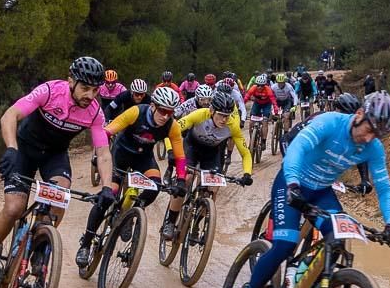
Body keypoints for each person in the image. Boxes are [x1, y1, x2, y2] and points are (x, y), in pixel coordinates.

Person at [229, 92, 390, 288]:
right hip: (292, 183)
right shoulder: (330, 123)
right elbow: (297, 150)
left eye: (378, 134)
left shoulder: (373, 148)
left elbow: (385, 188)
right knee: (285, 244)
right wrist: (292, 185)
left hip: (322, 191)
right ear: (359, 114)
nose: (370, 137)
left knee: (338, 237)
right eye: (370, 129)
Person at [0, 57, 111, 288]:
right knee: (14, 208)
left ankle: (40, 245)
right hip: (24, 151)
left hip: (54, 156)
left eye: (95, 90)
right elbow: (10, 115)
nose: (90, 95)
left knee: (60, 198)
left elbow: (104, 153)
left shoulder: (95, 113)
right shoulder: (49, 91)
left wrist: (107, 186)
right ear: (71, 81)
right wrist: (11, 149)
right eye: (85, 88)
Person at [75, 86, 188, 268]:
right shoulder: (136, 112)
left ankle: (130, 214)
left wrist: (181, 179)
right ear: (153, 106)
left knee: (155, 186)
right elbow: (107, 132)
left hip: (144, 159)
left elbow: (180, 156)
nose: (166, 116)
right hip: (120, 155)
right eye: (162, 111)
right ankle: (86, 243)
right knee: (107, 197)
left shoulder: (172, 125)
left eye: (170, 113)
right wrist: (98, 154)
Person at [161, 89, 254, 239]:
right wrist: (171, 151)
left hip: (211, 154)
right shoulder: (199, 115)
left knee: (213, 189)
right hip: (191, 148)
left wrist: (247, 173)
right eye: (221, 115)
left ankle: (197, 223)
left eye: (227, 116)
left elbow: (245, 153)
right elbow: (172, 130)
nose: (224, 120)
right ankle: (170, 222)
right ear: (211, 110)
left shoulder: (232, 126)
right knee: (186, 179)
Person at [281, 92, 372, 193]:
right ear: (337, 110)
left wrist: (365, 179)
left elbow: (359, 151)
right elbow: (291, 141)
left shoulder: (351, 131)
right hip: (290, 143)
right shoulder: (322, 120)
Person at [243, 73, 281, 143]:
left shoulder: (268, 90)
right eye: (258, 85)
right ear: (256, 84)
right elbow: (246, 98)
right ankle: (252, 139)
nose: (259, 87)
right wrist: (241, 108)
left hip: (267, 104)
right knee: (251, 122)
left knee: (265, 121)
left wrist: (276, 110)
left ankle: (264, 140)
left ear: (265, 85)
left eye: (262, 85)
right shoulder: (253, 88)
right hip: (257, 103)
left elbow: (273, 102)